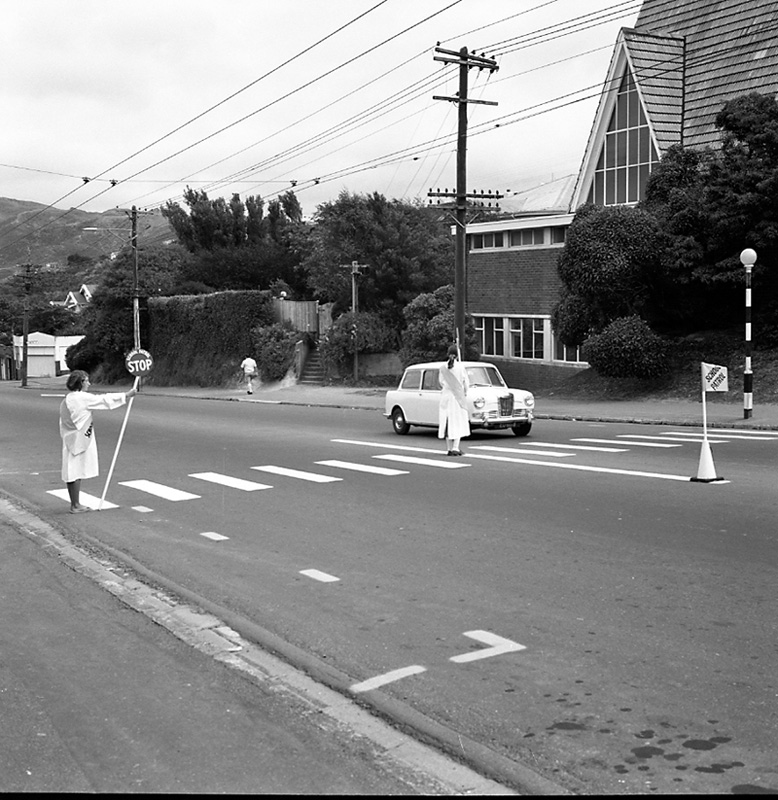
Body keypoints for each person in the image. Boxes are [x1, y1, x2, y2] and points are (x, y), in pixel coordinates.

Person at [59, 370, 137, 513]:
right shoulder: (81, 398)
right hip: (79, 438)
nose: (89, 383)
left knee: (71, 470)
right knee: (75, 470)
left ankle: (75, 503)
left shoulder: (68, 398)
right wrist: (126, 395)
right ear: (81, 382)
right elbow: (103, 400)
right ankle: (75, 505)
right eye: (87, 381)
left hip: (69, 438)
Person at [438, 344, 470, 456]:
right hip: (457, 398)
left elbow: (441, 382)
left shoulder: (442, 367)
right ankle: (456, 448)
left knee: (447, 422)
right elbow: (466, 383)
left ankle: (449, 449)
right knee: (457, 422)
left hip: (445, 397)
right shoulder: (461, 367)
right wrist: (465, 392)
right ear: (457, 356)